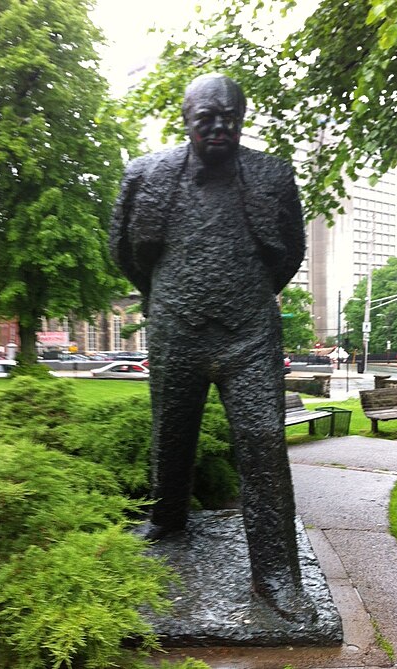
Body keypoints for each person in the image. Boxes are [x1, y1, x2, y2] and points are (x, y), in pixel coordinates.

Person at [110, 73, 310, 620]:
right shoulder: (145, 173)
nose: (219, 126)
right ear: (186, 118)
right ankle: (166, 519)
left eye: (230, 117)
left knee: (265, 445)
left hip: (249, 332)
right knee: (170, 432)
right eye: (207, 117)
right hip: (176, 328)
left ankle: (277, 574)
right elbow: (124, 250)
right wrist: (162, 296)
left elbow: (290, 251)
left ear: (241, 118)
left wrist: (251, 293)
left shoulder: (272, 173)